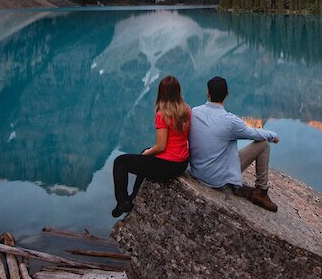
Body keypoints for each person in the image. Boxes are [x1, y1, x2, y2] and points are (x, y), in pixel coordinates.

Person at [189, 76, 280, 211]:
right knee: (263, 145)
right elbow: (254, 133)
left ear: (208, 94)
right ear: (227, 95)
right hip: (216, 180)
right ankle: (261, 191)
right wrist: (273, 136)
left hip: (196, 172)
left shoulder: (194, 112)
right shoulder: (230, 121)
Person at [111, 75, 191, 217]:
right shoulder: (186, 109)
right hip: (182, 162)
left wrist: (148, 152)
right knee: (145, 153)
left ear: (161, 93)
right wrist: (146, 152)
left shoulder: (163, 114)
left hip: (167, 166)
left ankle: (122, 202)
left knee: (120, 162)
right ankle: (133, 197)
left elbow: (160, 146)